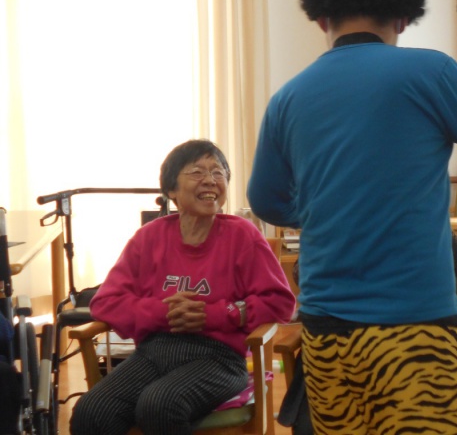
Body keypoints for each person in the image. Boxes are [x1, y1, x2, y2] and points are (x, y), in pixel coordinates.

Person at [246, 0, 457, 435]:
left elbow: (264, 199)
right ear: (403, 16)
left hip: (326, 336)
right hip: (416, 331)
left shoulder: (288, 98)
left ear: (321, 17)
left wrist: (327, 207)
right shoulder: (431, 72)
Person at [70, 139, 296, 435]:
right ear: (171, 190)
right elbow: (105, 302)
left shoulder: (242, 235)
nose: (210, 180)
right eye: (197, 172)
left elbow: (280, 302)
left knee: (160, 404)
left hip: (220, 359)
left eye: (218, 172)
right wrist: (163, 312)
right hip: (154, 352)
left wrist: (217, 314)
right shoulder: (149, 238)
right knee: (92, 412)